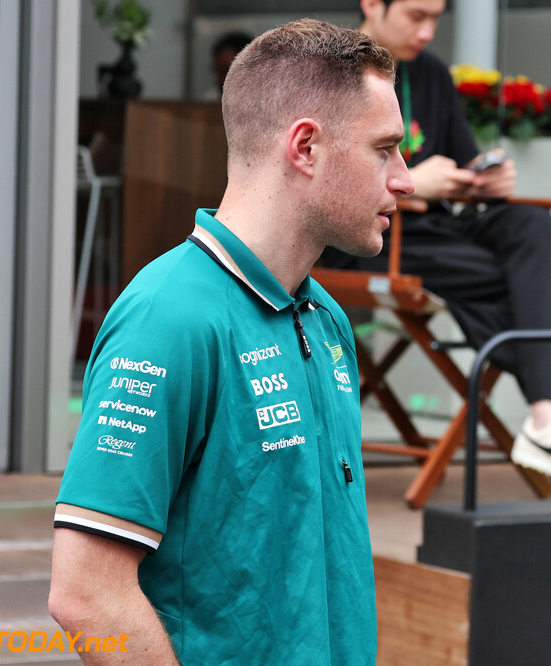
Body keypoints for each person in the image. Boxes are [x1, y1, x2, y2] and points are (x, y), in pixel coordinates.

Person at [48, 20, 412, 665]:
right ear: (306, 147)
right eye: (385, 149)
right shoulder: (169, 316)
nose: (405, 180)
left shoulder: (325, 318)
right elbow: (86, 596)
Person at [338, 0, 551, 499]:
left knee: (533, 229)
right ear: (373, 5)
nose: (428, 30)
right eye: (416, 16)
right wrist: (412, 182)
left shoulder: (432, 75)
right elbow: (324, 179)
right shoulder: (339, 70)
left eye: (437, 17)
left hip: (440, 231)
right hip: (374, 238)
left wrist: (486, 174)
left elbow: (464, 162)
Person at [201, 31, 252, 99]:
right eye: (217, 71)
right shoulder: (210, 100)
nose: (219, 79)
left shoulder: (266, 102)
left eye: (226, 71)